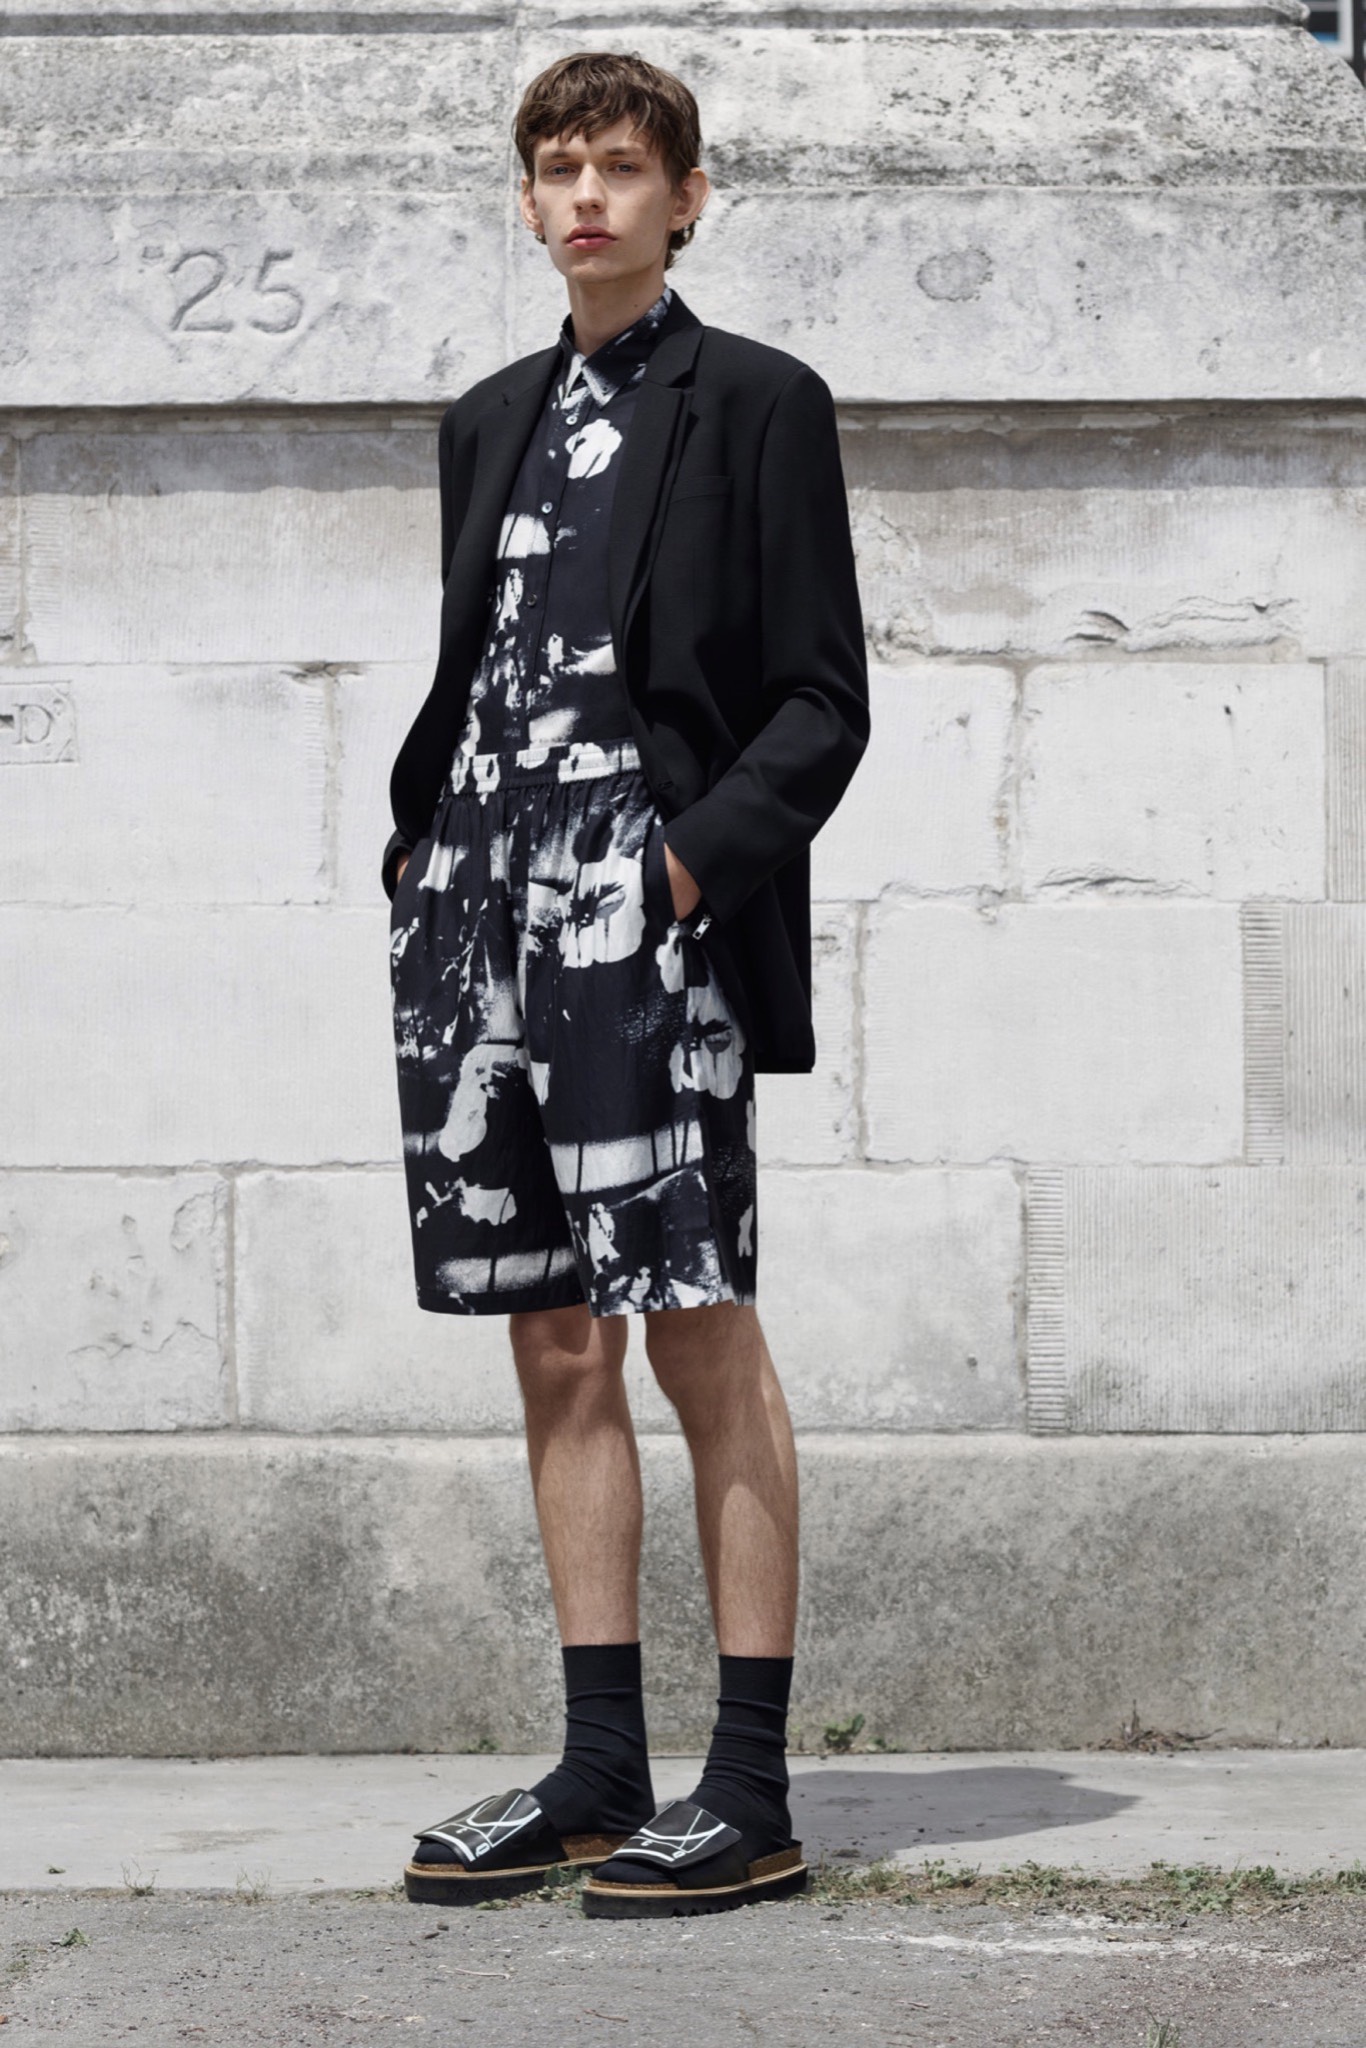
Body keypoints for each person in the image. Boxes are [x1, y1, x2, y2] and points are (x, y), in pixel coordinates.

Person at [382, 48, 868, 1918]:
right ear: (526, 201)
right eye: (560, 168)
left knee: (694, 1321)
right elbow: (478, 671)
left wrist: (677, 871)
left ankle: (746, 1787)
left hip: (638, 912)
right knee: (552, 1331)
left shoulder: (755, 402)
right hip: (476, 913)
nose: (588, 195)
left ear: (685, 197)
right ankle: (598, 1769)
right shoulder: (486, 419)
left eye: (622, 168)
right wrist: (425, 858)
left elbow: (819, 700)